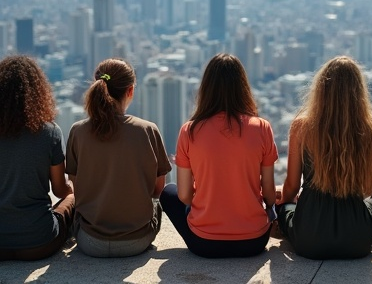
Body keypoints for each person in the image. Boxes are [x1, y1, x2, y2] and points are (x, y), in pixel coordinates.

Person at [159, 53, 278, 258]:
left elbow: (185, 195)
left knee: (169, 192)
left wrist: (206, 194)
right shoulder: (262, 128)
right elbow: (268, 191)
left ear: (206, 88)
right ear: (243, 87)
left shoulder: (190, 131)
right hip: (253, 242)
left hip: (204, 244)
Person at [277, 56, 372, 259]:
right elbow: (368, 187)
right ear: (359, 91)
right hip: (358, 240)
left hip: (309, 238)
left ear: (320, 89)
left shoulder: (302, 127)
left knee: (285, 207)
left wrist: (287, 204)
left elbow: (291, 186)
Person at [66, 58, 171, 257]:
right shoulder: (147, 130)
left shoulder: (78, 131)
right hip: (137, 241)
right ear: (130, 91)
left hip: (89, 242)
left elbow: (76, 187)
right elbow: (158, 190)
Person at [0, 55, 74, 261]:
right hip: (39, 243)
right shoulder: (49, 132)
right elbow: (59, 190)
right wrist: (73, 190)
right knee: (72, 197)